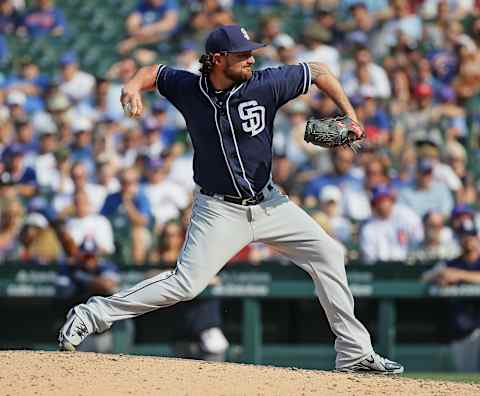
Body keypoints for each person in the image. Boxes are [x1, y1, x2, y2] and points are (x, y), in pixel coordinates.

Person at [58, 24, 403, 374]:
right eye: (243, 54)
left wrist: (351, 115)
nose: (251, 58)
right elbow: (153, 73)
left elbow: (319, 71)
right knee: (186, 284)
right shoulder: (190, 88)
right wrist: (132, 85)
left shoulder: (265, 84)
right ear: (219, 59)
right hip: (218, 210)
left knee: (329, 253)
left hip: (271, 205)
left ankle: (355, 353)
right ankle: (92, 314)